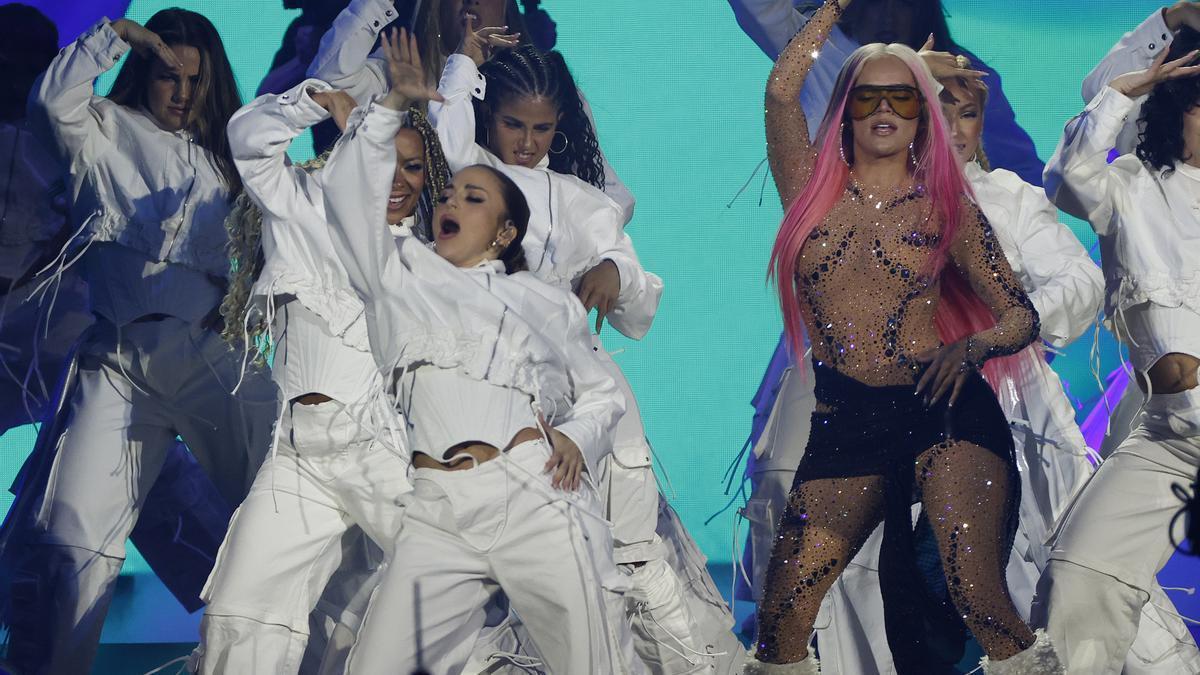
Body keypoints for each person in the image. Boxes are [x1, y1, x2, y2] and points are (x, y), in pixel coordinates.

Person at [746, 1, 1060, 673]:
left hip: (944, 411)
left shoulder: (946, 204)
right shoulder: (807, 189)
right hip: (847, 421)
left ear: (920, 115)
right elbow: (780, 89)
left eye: (901, 97)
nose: (884, 109)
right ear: (845, 110)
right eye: (868, 96)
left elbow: (1020, 314)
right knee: (781, 619)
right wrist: (835, 6)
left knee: (977, 596)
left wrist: (971, 347)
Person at [322, 32, 638, 674]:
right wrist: (392, 107)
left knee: (594, 660)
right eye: (447, 195)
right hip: (438, 510)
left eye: (473, 198)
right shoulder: (397, 273)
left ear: (503, 232)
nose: (449, 203)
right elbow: (351, 202)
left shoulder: (543, 303)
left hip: (530, 491)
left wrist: (577, 434)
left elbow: (602, 391)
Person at [5, 11, 278, 673]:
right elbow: (50, 98)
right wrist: (113, 34)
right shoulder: (103, 131)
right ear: (144, 76)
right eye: (166, 76)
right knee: (74, 537)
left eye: (193, 78)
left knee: (288, 489)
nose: (180, 91)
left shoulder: (230, 156)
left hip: (206, 355)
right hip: (118, 359)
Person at [187, 70, 448, 671]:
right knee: (241, 607)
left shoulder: (423, 260)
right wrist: (314, 101)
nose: (399, 181)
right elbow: (250, 138)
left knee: (444, 594)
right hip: (298, 457)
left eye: (414, 168)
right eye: (389, 159)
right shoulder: (301, 208)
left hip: (383, 454)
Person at [1031, 33, 1200, 674]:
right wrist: (1118, 95)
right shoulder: (1133, 185)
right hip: (1166, 438)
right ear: (1175, 105)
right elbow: (1066, 179)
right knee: (1078, 579)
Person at [308, 0, 636, 224]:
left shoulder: (546, 91)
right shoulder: (405, 72)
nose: (472, 0)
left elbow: (613, 197)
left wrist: (604, 257)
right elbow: (325, 85)